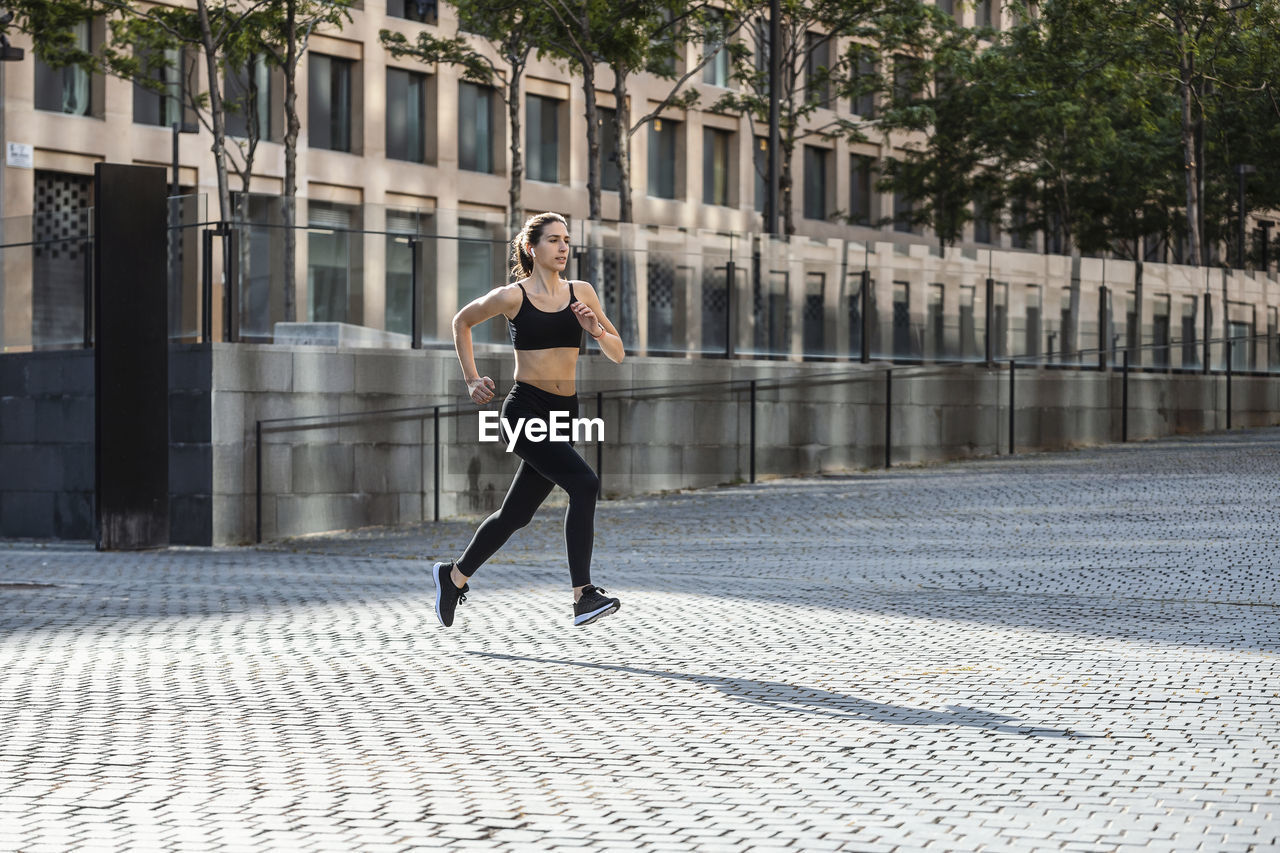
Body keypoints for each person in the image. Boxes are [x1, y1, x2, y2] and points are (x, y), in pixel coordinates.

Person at [433, 212, 626, 629]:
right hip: (525, 410)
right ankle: (583, 595)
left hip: (564, 413)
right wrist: (471, 379)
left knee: (516, 514)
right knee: (585, 483)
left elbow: (618, 352)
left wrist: (595, 330)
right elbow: (461, 322)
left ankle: (454, 577)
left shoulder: (582, 292)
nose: (562, 247)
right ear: (531, 247)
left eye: (566, 240)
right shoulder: (513, 296)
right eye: (553, 240)